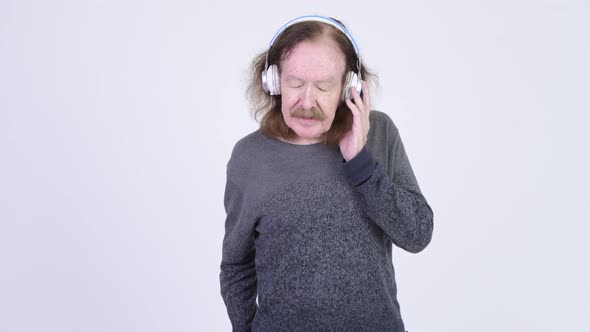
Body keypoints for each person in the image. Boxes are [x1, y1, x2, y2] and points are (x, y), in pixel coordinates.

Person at [220, 15, 434, 332]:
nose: (308, 101)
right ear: (273, 81)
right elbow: (236, 264)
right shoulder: (250, 156)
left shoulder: (380, 133)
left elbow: (417, 235)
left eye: (324, 86)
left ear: (349, 87)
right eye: (295, 83)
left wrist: (360, 162)